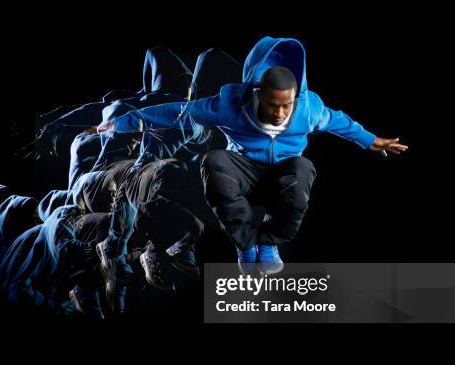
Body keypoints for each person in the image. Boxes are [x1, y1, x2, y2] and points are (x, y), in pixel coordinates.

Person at [97, 36, 408, 275]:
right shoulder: (229, 105)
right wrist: (121, 122)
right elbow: (178, 112)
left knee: (303, 168)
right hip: (243, 169)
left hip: (284, 172)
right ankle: (246, 245)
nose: (281, 113)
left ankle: (268, 244)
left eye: (287, 106)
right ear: (259, 93)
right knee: (214, 161)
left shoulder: (307, 108)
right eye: (274, 105)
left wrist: (370, 140)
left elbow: (339, 120)